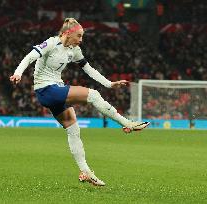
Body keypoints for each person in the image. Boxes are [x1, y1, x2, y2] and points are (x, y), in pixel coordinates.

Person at [9, 18, 150, 186]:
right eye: (79, 36)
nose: (81, 40)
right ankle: (127, 123)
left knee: (73, 129)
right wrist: (18, 73)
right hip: (46, 89)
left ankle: (86, 171)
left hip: (55, 90)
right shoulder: (51, 43)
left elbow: (88, 69)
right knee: (93, 95)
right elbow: (30, 57)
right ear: (68, 33)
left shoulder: (74, 50)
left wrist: (109, 83)